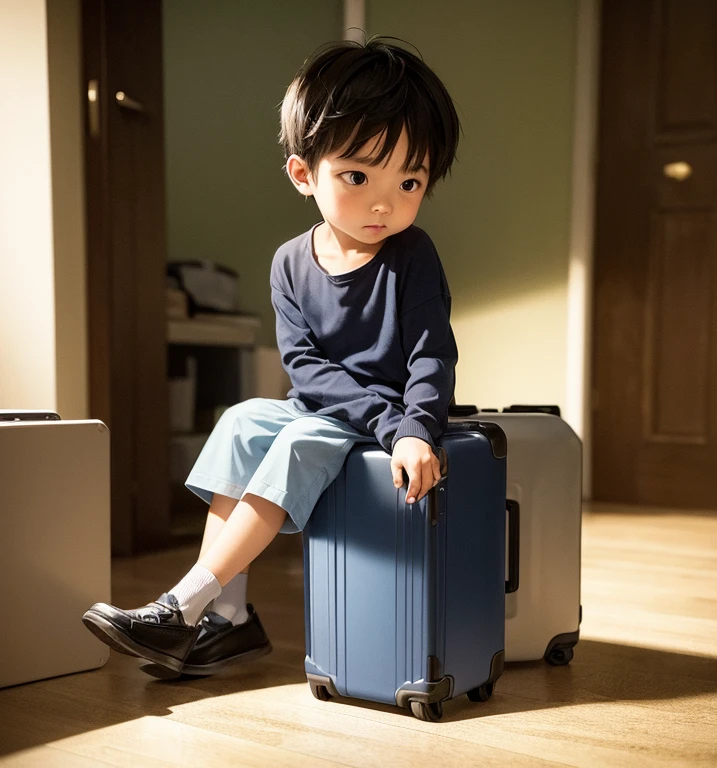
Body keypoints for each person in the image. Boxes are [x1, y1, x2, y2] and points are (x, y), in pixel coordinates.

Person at [82, 35, 461, 679]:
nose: (384, 201)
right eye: (357, 175)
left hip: (385, 420)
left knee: (298, 441)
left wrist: (413, 429)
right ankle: (228, 621)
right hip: (322, 406)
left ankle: (185, 604)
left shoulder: (412, 254)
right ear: (303, 174)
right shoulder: (291, 261)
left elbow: (432, 355)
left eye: (410, 180)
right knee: (238, 421)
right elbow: (305, 367)